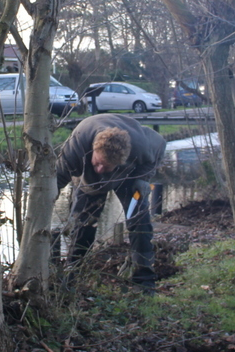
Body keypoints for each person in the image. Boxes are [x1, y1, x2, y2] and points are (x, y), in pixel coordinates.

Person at [56, 113, 166, 288]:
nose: (100, 169)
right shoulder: (77, 145)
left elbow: (158, 149)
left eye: (106, 166)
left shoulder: (141, 146)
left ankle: (144, 279)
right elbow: (56, 180)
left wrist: (143, 178)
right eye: (98, 163)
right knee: (83, 223)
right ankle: (73, 273)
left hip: (127, 176)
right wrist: (43, 206)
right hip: (89, 180)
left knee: (140, 221)